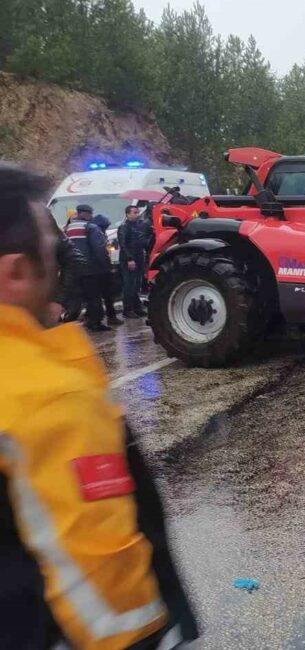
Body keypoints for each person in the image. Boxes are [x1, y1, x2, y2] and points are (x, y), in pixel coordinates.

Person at [0, 163, 198, 649]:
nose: (59, 270)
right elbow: (109, 598)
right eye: (52, 257)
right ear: (17, 272)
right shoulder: (46, 394)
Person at [64, 204, 118, 331]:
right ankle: (94, 322)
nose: (91, 216)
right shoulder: (91, 227)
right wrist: (107, 266)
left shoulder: (67, 229)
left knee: (84, 296)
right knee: (95, 296)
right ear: (84, 213)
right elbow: (99, 249)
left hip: (74, 268)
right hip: (92, 268)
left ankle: (77, 318)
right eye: (90, 213)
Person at [117, 205, 149, 318]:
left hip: (139, 257)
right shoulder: (124, 227)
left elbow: (141, 241)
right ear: (127, 214)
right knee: (129, 284)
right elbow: (123, 244)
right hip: (129, 259)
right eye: (134, 212)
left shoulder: (139, 226)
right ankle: (128, 309)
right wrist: (129, 258)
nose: (137, 214)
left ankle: (137, 307)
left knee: (137, 284)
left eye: (137, 212)